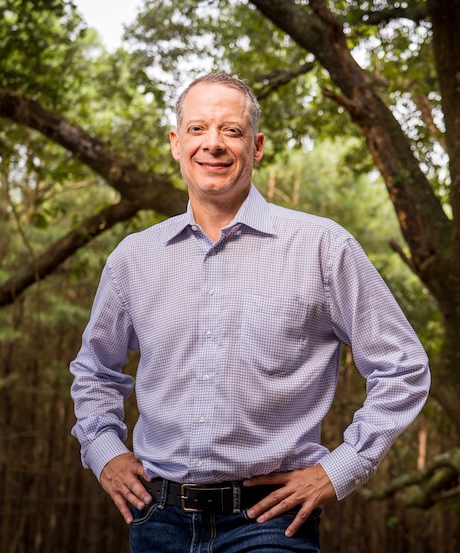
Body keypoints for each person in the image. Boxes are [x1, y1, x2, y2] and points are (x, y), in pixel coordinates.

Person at [70, 72, 430, 552]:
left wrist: (339, 469)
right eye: (197, 129)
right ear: (176, 144)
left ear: (256, 146)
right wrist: (105, 451)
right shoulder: (134, 258)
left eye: (231, 131)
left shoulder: (322, 247)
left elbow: (402, 366)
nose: (213, 144)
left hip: (269, 521)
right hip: (157, 520)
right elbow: (94, 369)